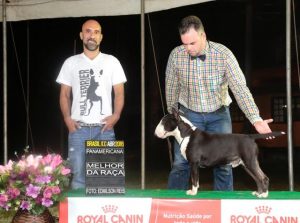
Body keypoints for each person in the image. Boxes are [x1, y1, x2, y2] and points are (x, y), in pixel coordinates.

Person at [165, 15, 273, 191]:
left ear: (203, 36)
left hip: (218, 115)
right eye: (184, 43)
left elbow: (240, 88)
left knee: (225, 165)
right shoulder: (176, 56)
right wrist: (173, 117)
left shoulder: (224, 55)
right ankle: (170, 208)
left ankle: (223, 207)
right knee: (180, 163)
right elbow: (171, 89)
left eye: (192, 43)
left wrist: (256, 118)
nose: (187, 48)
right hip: (188, 115)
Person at [56, 19, 127, 189]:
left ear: (101, 37)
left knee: (105, 182)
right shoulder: (70, 62)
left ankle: (102, 215)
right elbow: (64, 94)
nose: (92, 35)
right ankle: (80, 216)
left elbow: (119, 93)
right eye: (88, 31)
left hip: (104, 129)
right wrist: (67, 118)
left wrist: (116, 115)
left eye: (96, 32)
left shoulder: (112, 61)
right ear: (81, 35)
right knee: (78, 180)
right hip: (78, 129)